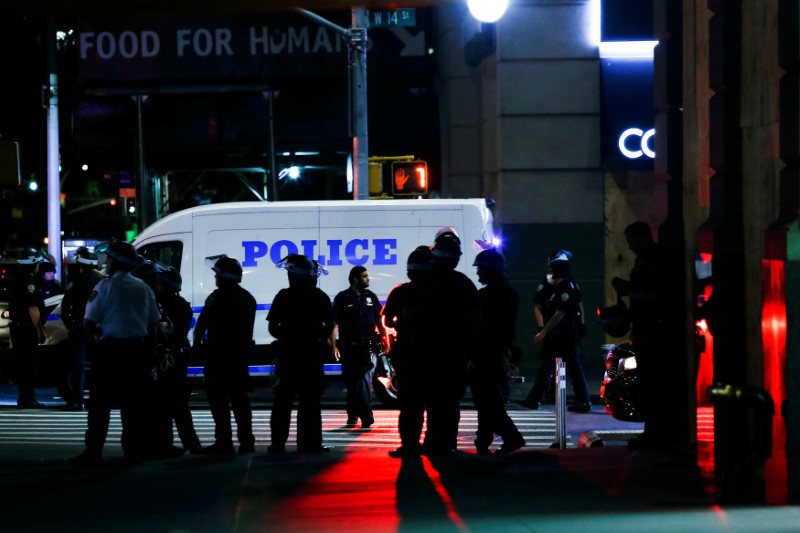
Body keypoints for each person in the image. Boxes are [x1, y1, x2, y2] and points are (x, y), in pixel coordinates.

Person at [71, 240, 162, 466]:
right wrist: (150, 354)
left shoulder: (104, 287)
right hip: (137, 353)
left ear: (115, 262)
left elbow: (89, 323)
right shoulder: (144, 288)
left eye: (109, 258)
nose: (106, 262)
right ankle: (132, 451)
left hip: (110, 352)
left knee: (100, 407)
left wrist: (93, 346)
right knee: (133, 407)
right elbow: (153, 326)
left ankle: (93, 451)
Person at [398, 228, 480, 456]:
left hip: (420, 356)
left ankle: (411, 445)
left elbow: (406, 319)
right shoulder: (463, 284)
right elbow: (474, 324)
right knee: (446, 405)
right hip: (452, 358)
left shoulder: (419, 284)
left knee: (414, 405)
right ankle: (443, 445)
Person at [266, 254, 333, 453]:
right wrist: (319, 338)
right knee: (310, 403)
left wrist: (283, 337)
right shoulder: (320, 297)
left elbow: (272, 326)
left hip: (288, 356)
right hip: (311, 356)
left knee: (282, 403)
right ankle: (310, 443)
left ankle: (278, 444)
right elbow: (329, 324)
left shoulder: (283, 296)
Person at [612, 221, 669, 449]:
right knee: (647, 384)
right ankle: (652, 432)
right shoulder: (644, 261)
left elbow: (652, 295)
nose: (630, 247)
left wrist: (626, 290)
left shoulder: (654, 261)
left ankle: (656, 434)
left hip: (654, 330)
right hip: (646, 328)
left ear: (643, 238)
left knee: (653, 385)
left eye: (632, 241)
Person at [193, 255, 257, 455]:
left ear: (223, 277)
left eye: (217, 275)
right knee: (240, 401)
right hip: (239, 357)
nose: (215, 279)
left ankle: (224, 442)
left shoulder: (216, 297)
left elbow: (201, 325)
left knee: (219, 402)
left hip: (218, 356)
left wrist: (197, 346)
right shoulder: (248, 298)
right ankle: (246, 442)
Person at [519, 250, 591, 411]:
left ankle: (584, 401)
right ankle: (534, 398)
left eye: (552, 269)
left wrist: (543, 332)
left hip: (565, 334)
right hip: (559, 334)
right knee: (549, 366)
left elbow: (559, 314)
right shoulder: (556, 286)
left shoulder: (565, 286)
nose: (549, 272)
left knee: (573, 366)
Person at [470, 248, 526, 454]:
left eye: (481, 269)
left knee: (488, 401)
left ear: (490, 270)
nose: (478, 274)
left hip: (488, 353)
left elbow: (488, 326)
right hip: (495, 352)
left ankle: (511, 437)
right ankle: (483, 441)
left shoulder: (495, 294)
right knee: (487, 401)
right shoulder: (503, 292)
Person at [383, 246, 434, 458]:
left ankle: (410, 444)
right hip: (435, 355)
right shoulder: (441, 290)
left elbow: (387, 320)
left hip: (408, 356)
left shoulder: (400, 291)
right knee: (435, 404)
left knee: (410, 406)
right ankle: (434, 443)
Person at [150, 265, 202, 457]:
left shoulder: (167, 306)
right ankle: (190, 442)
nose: (157, 286)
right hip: (177, 358)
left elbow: (166, 331)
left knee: (166, 404)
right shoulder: (181, 305)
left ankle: (166, 445)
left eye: (160, 283)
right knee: (179, 405)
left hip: (169, 359)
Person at [331, 266, 386, 429]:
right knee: (352, 382)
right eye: (364, 276)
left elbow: (379, 322)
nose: (368, 279)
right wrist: (334, 346)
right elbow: (334, 325)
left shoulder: (371, 297)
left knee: (364, 379)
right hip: (349, 347)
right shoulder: (342, 298)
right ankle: (353, 415)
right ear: (355, 279)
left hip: (367, 347)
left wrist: (385, 342)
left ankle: (366, 416)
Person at [60, 247, 104, 411]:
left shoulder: (78, 282)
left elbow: (66, 304)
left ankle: (77, 401)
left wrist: (68, 323)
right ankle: (100, 399)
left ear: (80, 265)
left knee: (78, 365)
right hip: (100, 329)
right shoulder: (102, 282)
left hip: (80, 328)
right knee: (100, 365)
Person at [7, 254, 46, 408]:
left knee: (21, 364)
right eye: (37, 263)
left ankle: (24, 398)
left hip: (17, 328)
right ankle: (27, 398)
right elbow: (33, 308)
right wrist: (39, 330)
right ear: (31, 265)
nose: (38, 266)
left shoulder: (17, 279)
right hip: (26, 329)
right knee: (29, 365)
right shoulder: (29, 282)